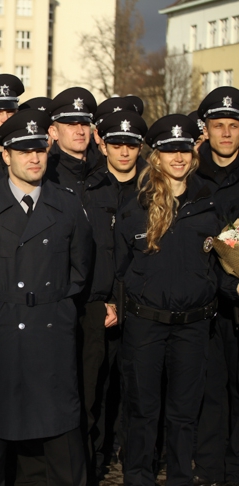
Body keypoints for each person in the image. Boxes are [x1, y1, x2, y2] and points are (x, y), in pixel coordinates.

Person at [0, 109, 93, 486]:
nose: (34, 158)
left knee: (60, 436)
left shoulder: (67, 205)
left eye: (40, 150)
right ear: (5, 155)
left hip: (51, 332)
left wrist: (55, 307)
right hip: (1, 333)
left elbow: (80, 269)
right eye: (23, 150)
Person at [114, 114, 236, 485]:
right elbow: (120, 266)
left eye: (184, 149)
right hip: (145, 325)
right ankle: (138, 477)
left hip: (194, 327)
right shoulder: (135, 202)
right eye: (170, 150)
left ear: (194, 151)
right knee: (142, 411)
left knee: (184, 414)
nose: (178, 158)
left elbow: (222, 266)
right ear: (157, 156)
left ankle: (181, 478)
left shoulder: (209, 203)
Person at [81, 110, 147, 481]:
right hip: (100, 305)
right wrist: (106, 300)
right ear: (102, 143)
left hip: (141, 305)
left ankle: (133, 461)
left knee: (138, 391)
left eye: (132, 145)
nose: (124, 152)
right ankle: (96, 461)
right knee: (97, 389)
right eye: (117, 144)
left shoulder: (153, 189)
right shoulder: (89, 189)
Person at [193, 86, 239, 486]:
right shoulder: (189, 171)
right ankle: (209, 471)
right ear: (205, 129)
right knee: (208, 391)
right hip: (203, 300)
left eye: (233, 126)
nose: (226, 133)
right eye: (218, 125)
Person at [45, 87, 99, 201]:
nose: (80, 131)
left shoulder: (105, 177)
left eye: (84, 124)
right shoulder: (44, 178)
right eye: (71, 124)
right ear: (54, 132)